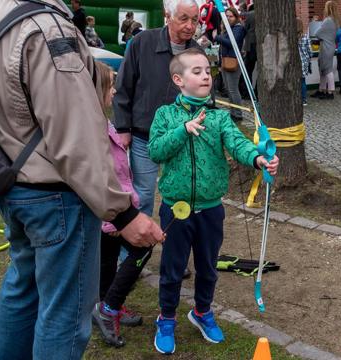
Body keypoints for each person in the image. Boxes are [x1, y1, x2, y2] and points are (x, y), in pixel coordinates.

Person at [0, 1, 164, 358]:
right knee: (65, 312)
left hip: (11, 182)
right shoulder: (46, 26)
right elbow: (76, 138)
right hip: (55, 193)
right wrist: (123, 214)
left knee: (23, 289)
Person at [148, 48, 280, 354]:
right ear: (178, 79)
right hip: (176, 209)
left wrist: (259, 158)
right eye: (197, 71)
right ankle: (166, 319)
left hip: (210, 209)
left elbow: (238, 145)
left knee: (207, 267)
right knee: (172, 268)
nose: (206, 75)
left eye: (208, 70)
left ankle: (202, 312)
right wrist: (183, 130)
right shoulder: (165, 115)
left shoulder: (220, 117)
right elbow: (155, 151)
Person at [114, 0, 200, 219]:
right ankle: (135, 250)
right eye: (184, 19)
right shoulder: (142, 42)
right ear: (167, 15)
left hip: (182, 137)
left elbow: (203, 94)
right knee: (142, 193)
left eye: (194, 20)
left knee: (179, 193)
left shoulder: (196, 52)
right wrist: (123, 128)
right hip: (145, 136)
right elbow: (123, 87)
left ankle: (172, 241)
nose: (190, 26)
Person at [90, 61, 153, 348]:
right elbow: (98, 178)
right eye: (109, 85)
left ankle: (106, 303)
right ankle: (108, 307)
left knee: (108, 262)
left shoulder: (104, 122)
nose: (114, 91)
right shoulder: (92, 130)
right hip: (110, 213)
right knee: (143, 246)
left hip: (116, 210)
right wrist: (113, 219)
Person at [215, 7, 246, 122]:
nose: (228, 18)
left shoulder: (238, 28)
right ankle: (233, 112)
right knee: (228, 89)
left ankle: (237, 114)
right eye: (226, 16)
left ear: (236, 16)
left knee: (233, 89)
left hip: (234, 61)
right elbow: (222, 47)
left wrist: (217, 37)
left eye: (230, 16)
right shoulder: (228, 29)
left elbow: (232, 43)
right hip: (225, 61)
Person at [311, 1, 338, 100]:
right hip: (329, 46)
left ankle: (330, 92)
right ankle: (321, 89)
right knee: (323, 69)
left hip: (326, 47)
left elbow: (317, 33)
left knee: (327, 70)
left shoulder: (327, 20)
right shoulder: (335, 20)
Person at [298, 17, 311, 106]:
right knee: (302, 81)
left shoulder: (290, 37)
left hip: (294, 62)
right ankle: (304, 99)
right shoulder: (305, 37)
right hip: (304, 61)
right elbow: (310, 50)